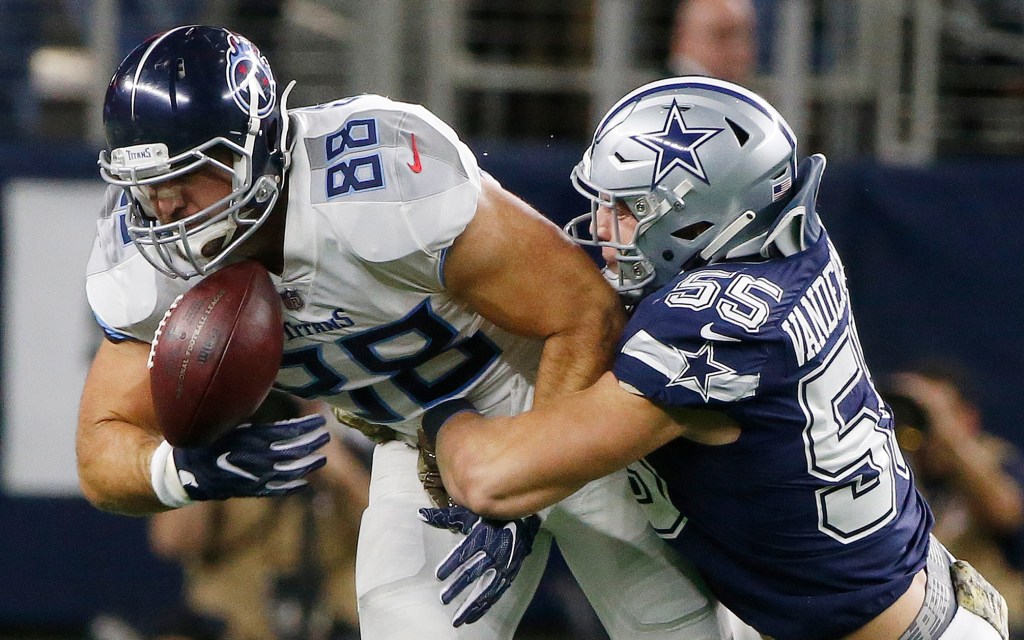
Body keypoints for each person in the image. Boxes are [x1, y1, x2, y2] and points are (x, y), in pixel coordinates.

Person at [76, 26, 731, 640]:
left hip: (563, 399)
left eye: (187, 174)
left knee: (677, 626)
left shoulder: (376, 183)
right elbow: (101, 455)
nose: (166, 209)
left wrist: (523, 480)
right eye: (146, 185)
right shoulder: (143, 258)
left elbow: (583, 310)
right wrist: (180, 472)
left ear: (257, 148)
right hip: (428, 442)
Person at [419, 77, 1010, 640]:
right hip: (919, 602)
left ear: (703, 213)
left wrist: (435, 413)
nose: (601, 227)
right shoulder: (793, 242)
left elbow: (491, 478)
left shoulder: (705, 330)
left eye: (627, 208)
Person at [148, 400, 369, 640]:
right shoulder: (218, 448)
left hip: (327, 624)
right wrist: (200, 449)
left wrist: (342, 471)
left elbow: (395, 540)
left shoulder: (351, 448)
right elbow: (172, 542)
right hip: (228, 625)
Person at [886, 362, 1024, 639]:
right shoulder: (897, 467)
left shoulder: (993, 459)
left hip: (993, 625)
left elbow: (1005, 512)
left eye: (938, 414)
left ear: (967, 418)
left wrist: (940, 423)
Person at [667, 0, 758, 83]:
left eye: (745, 37)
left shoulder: (758, 97)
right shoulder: (658, 96)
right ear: (683, 37)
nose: (738, 51)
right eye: (722, 35)